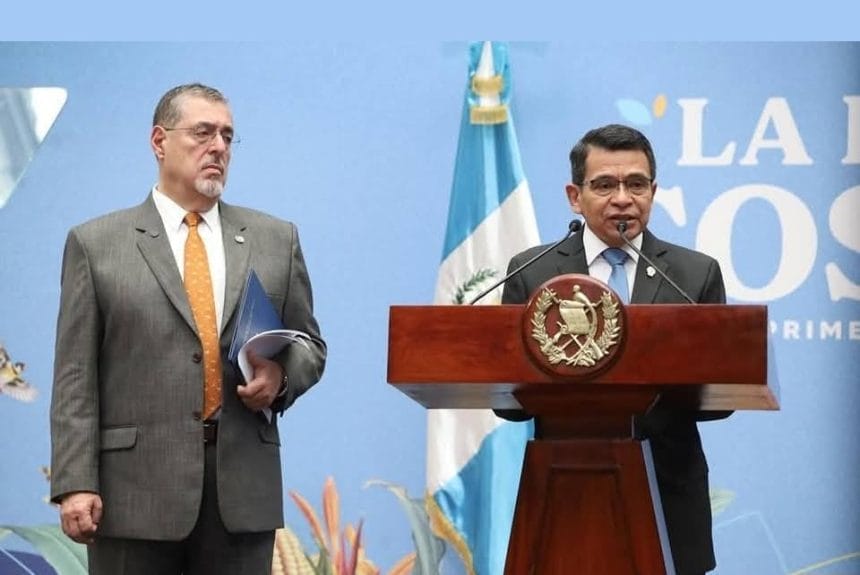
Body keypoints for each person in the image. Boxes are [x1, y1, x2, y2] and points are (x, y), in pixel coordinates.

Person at [49, 83, 326, 574]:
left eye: (227, 136)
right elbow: (75, 375)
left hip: (241, 496)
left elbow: (309, 345)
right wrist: (75, 482)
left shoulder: (275, 239)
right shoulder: (97, 245)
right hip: (131, 496)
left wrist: (281, 377)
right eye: (203, 133)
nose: (218, 147)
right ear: (159, 141)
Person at [500, 124, 729, 575]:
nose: (623, 198)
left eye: (636, 184)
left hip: (668, 493)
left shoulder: (694, 274)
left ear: (653, 192)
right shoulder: (532, 272)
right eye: (604, 185)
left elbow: (717, 399)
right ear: (575, 196)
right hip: (565, 491)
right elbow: (510, 404)